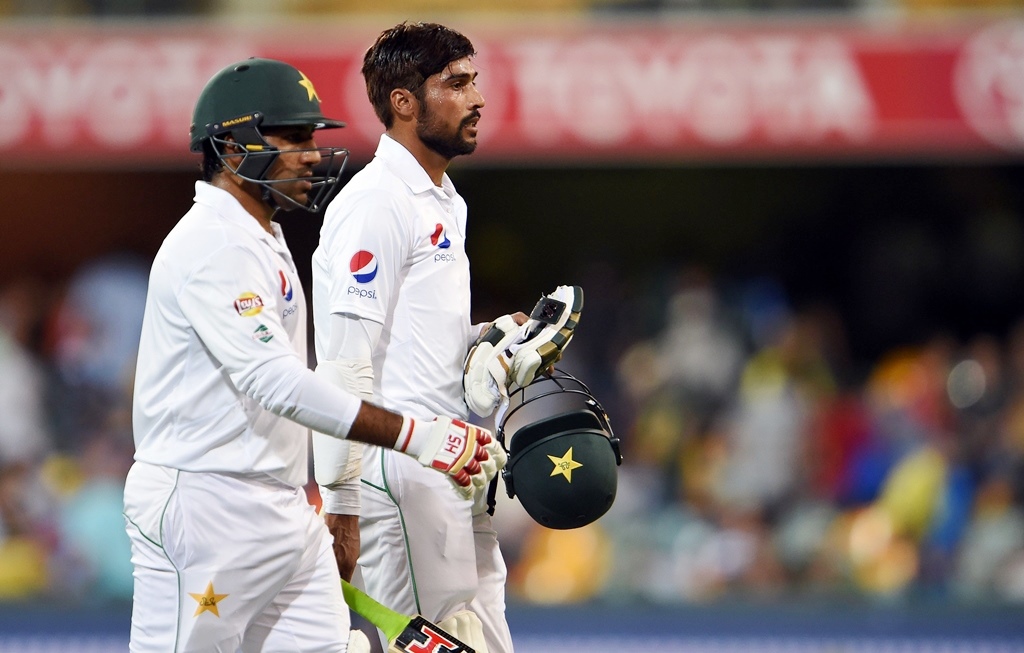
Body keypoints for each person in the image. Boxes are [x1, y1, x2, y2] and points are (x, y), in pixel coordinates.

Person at [122, 57, 504, 653]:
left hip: (280, 503)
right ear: (229, 146)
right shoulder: (212, 243)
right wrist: (418, 436)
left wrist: (337, 506)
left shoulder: (263, 236)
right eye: (291, 137)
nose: (309, 153)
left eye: (311, 137)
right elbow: (275, 382)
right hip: (203, 506)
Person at [311, 22, 526, 653]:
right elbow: (345, 367)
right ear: (404, 102)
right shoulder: (375, 202)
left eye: (474, 81)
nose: (477, 98)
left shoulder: (444, 199)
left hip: (459, 461)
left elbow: (423, 346)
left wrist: (494, 338)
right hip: (399, 473)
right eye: (456, 84)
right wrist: (342, 503)